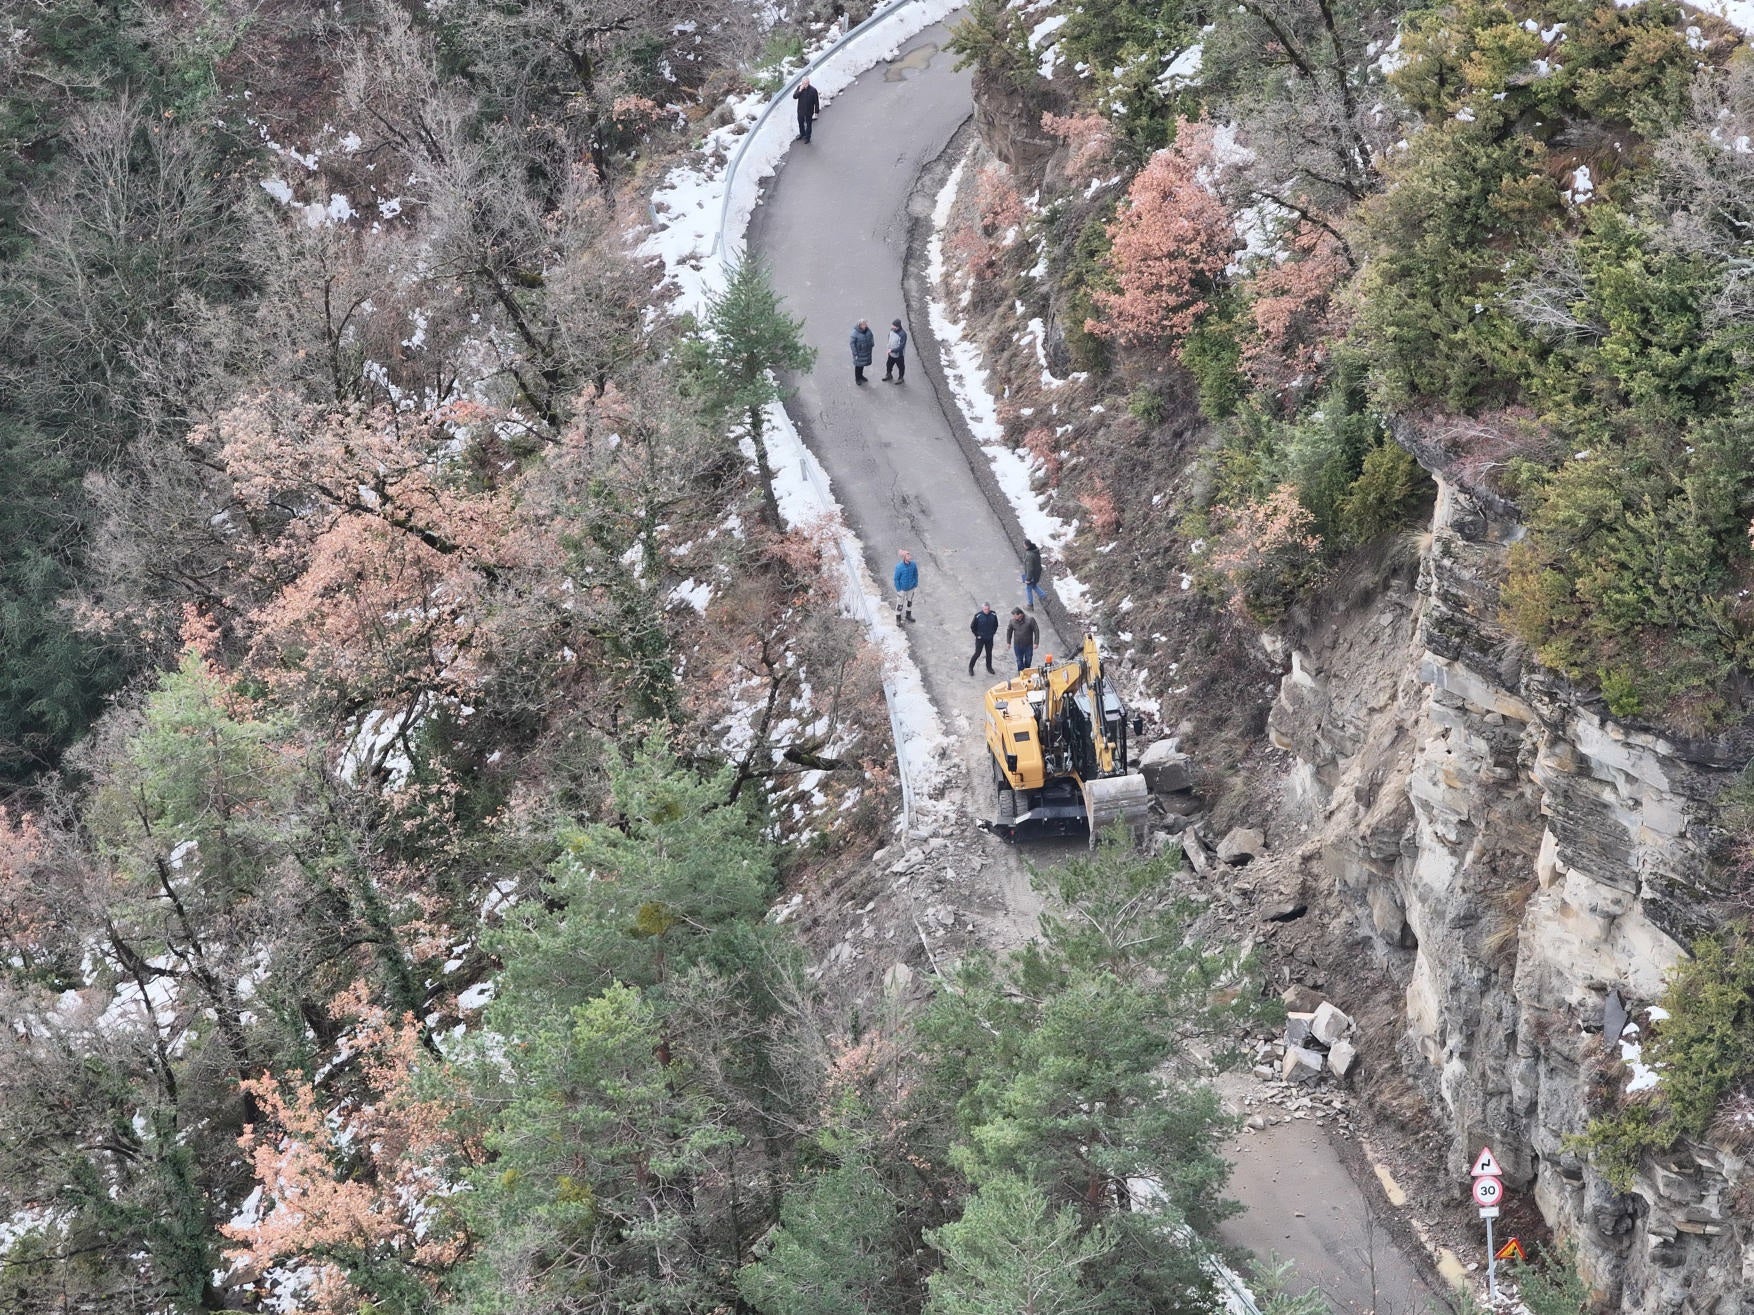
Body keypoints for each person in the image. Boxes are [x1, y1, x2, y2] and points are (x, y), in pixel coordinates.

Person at [968, 602, 998, 676]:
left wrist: (993, 633)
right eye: (985, 609)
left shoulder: (993, 614)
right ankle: (970, 667)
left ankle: (989, 667)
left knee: (989, 653)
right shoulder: (978, 616)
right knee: (977, 653)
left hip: (989, 638)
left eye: (988, 609)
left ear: (989, 608)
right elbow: (972, 626)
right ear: (982, 609)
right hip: (980, 639)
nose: (986, 610)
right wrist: (977, 635)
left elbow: (996, 624)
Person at [1006, 607, 1039, 672]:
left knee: (1028, 660)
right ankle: (1021, 673)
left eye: (1015, 615)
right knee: (1019, 660)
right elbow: (1009, 631)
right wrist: (1008, 642)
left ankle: (1027, 670)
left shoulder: (1030, 620)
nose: (1013, 617)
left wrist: (1036, 642)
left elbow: (1036, 630)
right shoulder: (1012, 621)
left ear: (1020, 615)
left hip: (1028, 645)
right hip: (1017, 645)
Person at [892, 549, 918, 622]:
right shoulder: (899, 567)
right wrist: (899, 590)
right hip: (902, 589)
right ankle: (898, 619)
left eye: (909, 555)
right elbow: (896, 579)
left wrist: (915, 583)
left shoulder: (913, 564)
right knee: (900, 604)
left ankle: (908, 615)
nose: (910, 556)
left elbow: (915, 574)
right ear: (904, 557)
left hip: (911, 588)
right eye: (907, 555)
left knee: (910, 602)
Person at [1021, 538, 1047, 611]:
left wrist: (1028, 579)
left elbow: (1030, 569)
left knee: (1028, 589)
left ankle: (1030, 605)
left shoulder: (1029, 555)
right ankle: (1044, 597)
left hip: (1032, 575)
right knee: (1034, 585)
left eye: (1023, 544)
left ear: (1026, 546)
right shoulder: (1035, 550)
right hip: (1037, 573)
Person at [793, 77, 821, 143]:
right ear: (802, 83)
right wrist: (800, 90)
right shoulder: (799, 88)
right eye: (804, 83)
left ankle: (807, 137)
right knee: (800, 123)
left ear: (809, 82)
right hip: (800, 110)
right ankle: (802, 134)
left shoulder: (813, 90)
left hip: (809, 111)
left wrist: (816, 112)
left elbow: (816, 102)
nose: (805, 85)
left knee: (808, 125)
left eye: (806, 83)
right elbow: (794, 96)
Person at [850, 319, 875, 385]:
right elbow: (852, 344)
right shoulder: (854, 333)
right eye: (864, 324)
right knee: (858, 366)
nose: (866, 325)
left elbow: (871, 336)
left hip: (866, 352)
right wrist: (855, 353)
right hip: (859, 353)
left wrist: (872, 344)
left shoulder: (867, 330)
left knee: (862, 365)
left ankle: (861, 376)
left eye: (866, 324)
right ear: (860, 325)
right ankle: (857, 379)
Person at [883, 318, 908, 382]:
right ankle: (889, 375)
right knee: (888, 365)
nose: (892, 327)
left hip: (899, 355)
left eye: (893, 326)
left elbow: (901, 346)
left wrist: (892, 350)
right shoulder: (892, 330)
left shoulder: (903, 334)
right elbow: (889, 338)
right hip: (891, 353)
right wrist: (889, 348)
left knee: (901, 367)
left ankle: (901, 378)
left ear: (898, 326)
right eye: (892, 325)